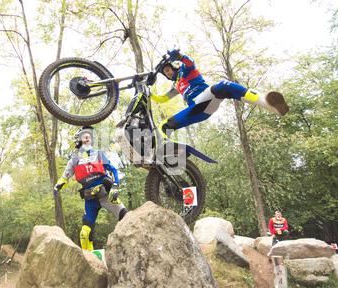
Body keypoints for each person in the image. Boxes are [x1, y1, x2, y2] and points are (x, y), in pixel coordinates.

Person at [151, 49, 289, 139]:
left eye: (169, 69)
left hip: (205, 97)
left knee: (223, 86)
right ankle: (163, 159)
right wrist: (147, 93)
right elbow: (162, 99)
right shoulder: (176, 86)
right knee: (165, 126)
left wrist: (180, 57)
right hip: (198, 111)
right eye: (166, 72)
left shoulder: (184, 71)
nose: (168, 73)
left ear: (173, 67)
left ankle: (267, 103)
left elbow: (190, 63)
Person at [54, 126, 128, 251]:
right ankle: (90, 259)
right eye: (84, 135)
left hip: (106, 195)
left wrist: (115, 186)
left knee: (126, 217)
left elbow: (113, 170)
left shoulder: (99, 154)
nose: (87, 137)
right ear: (78, 140)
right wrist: (57, 186)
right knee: (84, 233)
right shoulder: (75, 159)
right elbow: (64, 177)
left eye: (89, 136)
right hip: (90, 200)